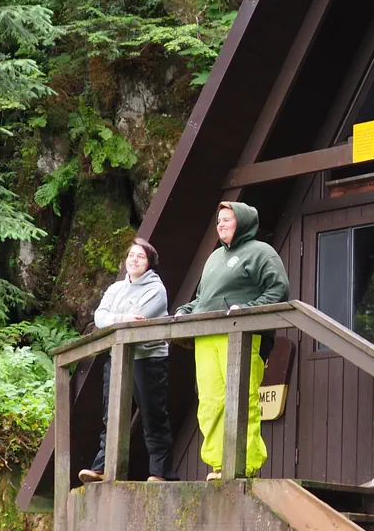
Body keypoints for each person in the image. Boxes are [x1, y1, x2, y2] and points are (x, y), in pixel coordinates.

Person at [174, 202, 289, 479]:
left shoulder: (262, 252)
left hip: (243, 336)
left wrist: (248, 309)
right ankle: (218, 464)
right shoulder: (213, 258)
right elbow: (203, 300)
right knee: (210, 401)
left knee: (241, 400)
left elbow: (278, 289)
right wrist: (184, 311)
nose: (221, 225)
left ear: (244, 221)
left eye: (227, 219)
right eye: (218, 221)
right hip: (206, 337)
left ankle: (244, 466)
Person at [77, 238, 177, 483]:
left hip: (148, 358)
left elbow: (138, 321)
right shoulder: (116, 289)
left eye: (140, 256)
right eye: (131, 255)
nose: (134, 260)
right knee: (111, 414)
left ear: (149, 263)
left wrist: (118, 318)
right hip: (118, 357)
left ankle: (161, 473)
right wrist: (121, 317)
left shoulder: (156, 289)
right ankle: (102, 469)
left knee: (153, 415)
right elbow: (100, 316)